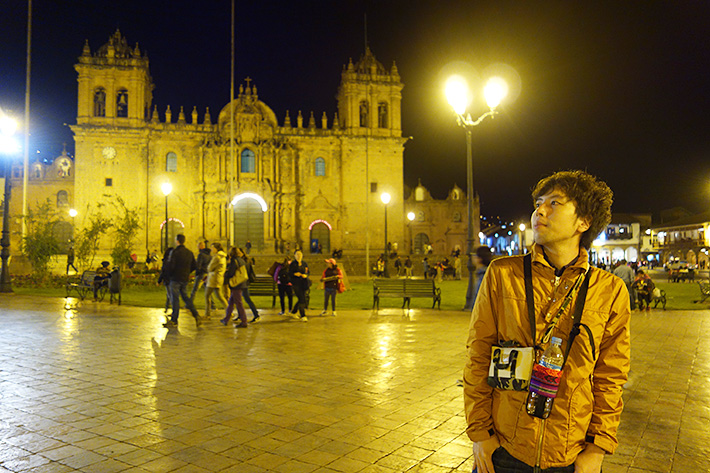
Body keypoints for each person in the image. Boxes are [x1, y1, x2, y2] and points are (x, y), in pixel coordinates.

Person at [463, 170, 631, 473]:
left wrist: (597, 448)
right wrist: (480, 434)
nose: (540, 210)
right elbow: (478, 356)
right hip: (503, 447)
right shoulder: (502, 274)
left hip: (570, 452)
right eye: (539, 202)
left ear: (584, 221)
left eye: (555, 203)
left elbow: (611, 375)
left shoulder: (609, 290)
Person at [164, 234, 201, 328]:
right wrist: (187, 272)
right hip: (184, 278)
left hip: (175, 278)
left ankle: (174, 320)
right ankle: (196, 314)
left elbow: (171, 266)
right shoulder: (189, 253)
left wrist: (169, 275)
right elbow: (194, 266)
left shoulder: (175, 252)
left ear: (177, 241)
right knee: (185, 298)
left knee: (175, 299)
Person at [221, 247, 249, 327]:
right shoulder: (241, 260)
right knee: (230, 302)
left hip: (236, 284)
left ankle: (244, 321)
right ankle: (226, 319)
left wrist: (225, 273)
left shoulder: (234, 260)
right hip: (241, 283)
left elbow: (231, 273)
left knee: (239, 303)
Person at [204, 242, 227, 319]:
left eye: (212, 247)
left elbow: (210, 268)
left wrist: (209, 268)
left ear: (216, 248)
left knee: (207, 295)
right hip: (219, 278)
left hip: (213, 279)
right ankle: (229, 311)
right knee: (220, 296)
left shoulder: (217, 257)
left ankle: (207, 314)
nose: (211, 249)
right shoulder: (223, 257)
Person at [238, 248, 261, 323]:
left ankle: (256, 315)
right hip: (244, 282)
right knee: (237, 299)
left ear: (242, 253)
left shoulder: (243, 261)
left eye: (238, 252)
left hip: (243, 283)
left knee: (247, 299)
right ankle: (240, 315)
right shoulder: (246, 260)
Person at [289, 250, 309, 321]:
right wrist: (295, 274)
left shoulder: (304, 264)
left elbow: (307, 272)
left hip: (303, 283)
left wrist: (305, 275)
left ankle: (294, 312)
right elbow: (290, 273)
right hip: (296, 284)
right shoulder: (293, 264)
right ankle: (303, 315)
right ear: (294, 256)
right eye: (297, 254)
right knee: (301, 299)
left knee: (302, 298)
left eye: (300, 254)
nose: (299, 256)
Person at [158, 247, 173, 313]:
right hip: (171, 279)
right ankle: (167, 307)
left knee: (170, 295)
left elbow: (163, 271)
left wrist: (159, 281)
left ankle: (173, 310)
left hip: (168, 280)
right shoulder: (170, 260)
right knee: (169, 294)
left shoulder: (167, 261)